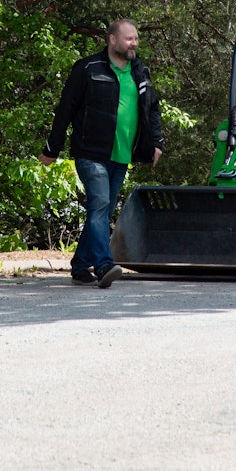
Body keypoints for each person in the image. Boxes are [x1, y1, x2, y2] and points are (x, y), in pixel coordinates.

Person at [39, 19, 164, 288]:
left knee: (102, 211)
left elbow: (152, 108)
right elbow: (66, 109)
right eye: (129, 39)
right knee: (99, 205)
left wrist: (157, 142)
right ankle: (104, 264)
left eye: (136, 39)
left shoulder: (140, 71)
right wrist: (52, 148)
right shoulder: (88, 68)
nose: (134, 43)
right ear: (112, 40)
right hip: (90, 152)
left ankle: (80, 265)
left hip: (122, 155)